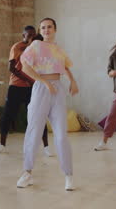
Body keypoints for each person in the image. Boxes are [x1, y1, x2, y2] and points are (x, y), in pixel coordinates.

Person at [16, 18, 79, 191]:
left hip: (58, 90)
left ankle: (68, 175)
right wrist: (44, 82)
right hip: (41, 89)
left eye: (49, 27)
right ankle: (27, 172)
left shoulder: (58, 49)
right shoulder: (36, 46)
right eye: (43, 27)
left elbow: (65, 67)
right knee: (34, 131)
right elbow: (24, 67)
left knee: (61, 134)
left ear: (55, 29)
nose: (46, 30)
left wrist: (73, 81)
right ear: (40, 30)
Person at [0, 26, 52, 156]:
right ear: (23, 35)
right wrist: (27, 79)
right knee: (7, 115)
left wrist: (37, 81)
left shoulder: (38, 49)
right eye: (28, 34)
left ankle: (46, 147)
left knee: (39, 115)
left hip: (32, 87)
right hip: (16, 87)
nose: (30, 37)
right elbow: (11, 68)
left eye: (33, 35)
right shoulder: (17, 47)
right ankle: (2, 145)